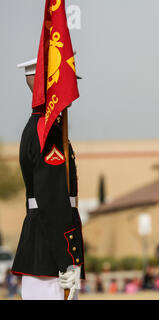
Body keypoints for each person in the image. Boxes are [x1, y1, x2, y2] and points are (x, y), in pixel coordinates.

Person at [11, 58, 85, 300]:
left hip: (44, 245)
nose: (72, 93)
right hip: (50, 252)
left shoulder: (41, 127)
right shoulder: (47, 132)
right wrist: (67, 259)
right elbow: (53, 200)